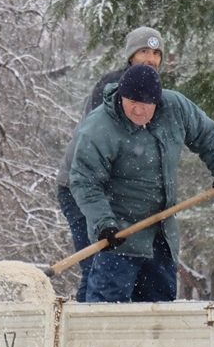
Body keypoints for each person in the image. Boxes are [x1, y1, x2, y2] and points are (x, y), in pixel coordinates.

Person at [70, 64, 214, 303]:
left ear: (157, 102)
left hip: (161, 235)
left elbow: (205, 133)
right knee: (107, 312)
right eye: (131, 102)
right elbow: (84, 182)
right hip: (118, 237)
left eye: (145, 104)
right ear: (121, 95)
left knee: (158, 311)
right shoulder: (99, 128)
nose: (138, 110)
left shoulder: (176, 108)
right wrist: (104, 223)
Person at [57, 27, 166, 302]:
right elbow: (104, 151)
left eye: (156, 53)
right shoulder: (114, 87)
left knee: (110, 270)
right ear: (131, 56)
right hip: (81, 188)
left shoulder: (154, 92)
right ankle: (78, 337)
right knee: (97, 266)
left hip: (111, 194)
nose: (150, 59)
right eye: (144, 51)